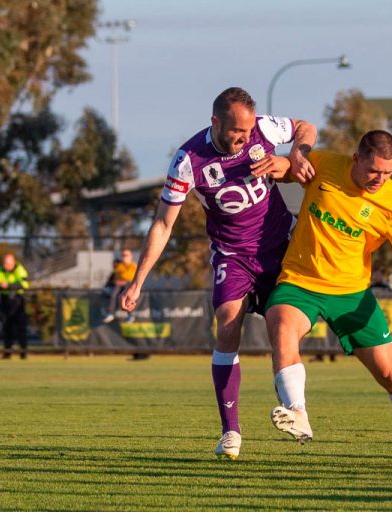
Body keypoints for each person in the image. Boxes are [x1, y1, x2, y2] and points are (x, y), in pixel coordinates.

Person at [120, 87, 317, 460]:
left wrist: (296, 153)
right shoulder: (189, 159)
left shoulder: (263, 130)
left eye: (247, 132)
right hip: (232, 256)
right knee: (226, 325)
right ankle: (230, 433)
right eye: (235, 132)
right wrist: (138, 280)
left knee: (284, 324)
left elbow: (306, 126)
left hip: (281, 248)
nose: (244, 138)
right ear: (215, 122)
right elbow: (163, 225)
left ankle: (297, 412)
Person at [264, 130, 392, 461]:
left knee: (390, 374)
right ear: (356, 158)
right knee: (280, 323)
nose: (380, 179)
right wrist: (278, 161)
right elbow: (289, 168)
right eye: (374, 171)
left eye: (388, 173)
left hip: (352, 294)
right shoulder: (325, 165)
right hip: (301, 281)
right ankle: (296, 411)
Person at [0, 253, 30, 359]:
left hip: (18, 300)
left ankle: (23, 354)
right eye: (4, 263)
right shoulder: (0, 270)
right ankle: (7, 353)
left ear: (13, 262)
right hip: (5, 300)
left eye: (7, 263)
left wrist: (9, 285)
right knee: (7, 328)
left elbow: (24, 284)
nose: (5, 266)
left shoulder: (20, 269)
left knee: (21, 328)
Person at [102, 249, 137, 324]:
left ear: (131, 256)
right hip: (118, 286)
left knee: (128, 297)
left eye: (126, 255)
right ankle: (110, 313)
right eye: (122, 255)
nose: (124, 257)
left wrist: (124, 280)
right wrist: (120, 280)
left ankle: (130, 315)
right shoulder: (120, 266)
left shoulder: (133, 265)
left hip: (129, 286)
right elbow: (117, 277)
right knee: (113, 295)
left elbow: (129, 276)